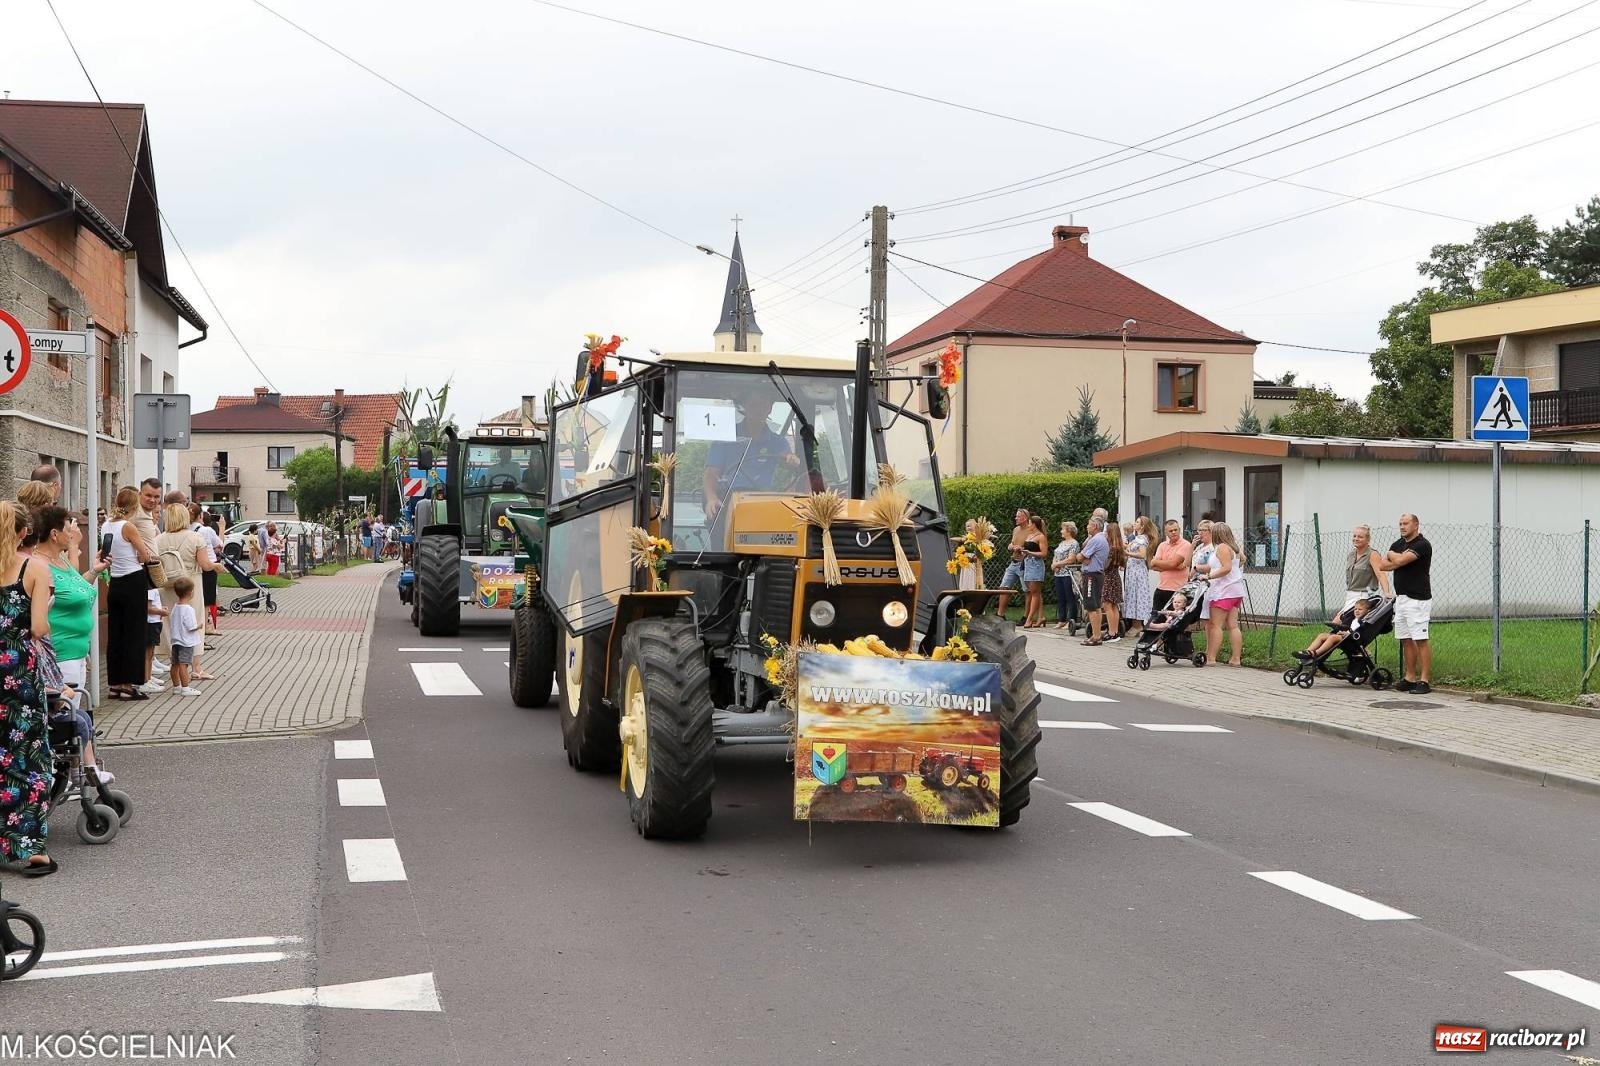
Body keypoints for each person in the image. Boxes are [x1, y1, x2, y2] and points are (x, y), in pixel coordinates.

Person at [0, 500, 58, 876]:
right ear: (24, 532)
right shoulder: (33, 567)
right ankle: (33, 850)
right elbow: (38, 627)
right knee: (28, 756)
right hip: (17, 671)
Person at [34, 505, 112, 777]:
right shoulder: (41, 567)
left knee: (72, 719)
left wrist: (94, 571)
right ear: (54, 534)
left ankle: (74, 773)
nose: (73, 534)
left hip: (77, 650)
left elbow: (78, 591)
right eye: (68, 529)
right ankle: (66, 774)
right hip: (61, 652)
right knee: (65, 718)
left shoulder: (62, 561)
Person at [702, 390, 802, 519]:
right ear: (745, 406)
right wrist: (711, 498)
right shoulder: (727, 437)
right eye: (754, 405)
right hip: (728, 499)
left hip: (763, 501)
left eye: (764, 405)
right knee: (719, 512)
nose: (759, 410)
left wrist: (791, 458)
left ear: (770, 409)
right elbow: (711, 474)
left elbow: (786, 456)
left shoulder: (777, 442)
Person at [104, 487, 156, 700]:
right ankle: (129, 684)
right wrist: (143, 553)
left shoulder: (106, 524)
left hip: (115, 581)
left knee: (116, 633)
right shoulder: (128, 526)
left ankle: (115, 683)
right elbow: (144, 556)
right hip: (133, 580)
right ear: (134, 507)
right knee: (134, 633)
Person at [1378, 512, 1433, 694]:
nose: (1402, 526)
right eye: (1400, 523)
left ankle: (1424, 680)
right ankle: (1410, 678)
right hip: (1401, 598)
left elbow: (1398, 560)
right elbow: (1382, 565)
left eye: (1406, 523)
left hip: (1417, 599)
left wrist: (1393, 556)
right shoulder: (1398, 544)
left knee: (1420, 639)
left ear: (1416, 525)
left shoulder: (1422, 544)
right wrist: (1398, 560)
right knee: (1405, 639)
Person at [1201, 521, 1246, 667]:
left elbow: (1226, 568)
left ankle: (1211, 658)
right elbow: (1240, 561)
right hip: (1235, 591)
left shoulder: (1222, 547)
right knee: (1233, 625)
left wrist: (1209, 576)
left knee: (1216, 625)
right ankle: (1236, 658)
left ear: (1216, 534)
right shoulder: (1235, 548)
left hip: (1223, 591)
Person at [1297, 597, 1373, 661]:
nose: (1357, 611)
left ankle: (1316, 653)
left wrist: (1347, 633)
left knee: (1333, 637)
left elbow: (1359, 633)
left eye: (1360, 609)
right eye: (1355, 609)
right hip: (1347, 637)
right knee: (1322, 635)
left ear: (1368, 611)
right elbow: (1351, 630)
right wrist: (1344, 632)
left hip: (1352, 641)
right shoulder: (1355, 620)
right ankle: (1307, 652)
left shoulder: (1364, 621)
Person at [1073, 517, 1109, 647]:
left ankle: (1096, 636)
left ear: (1095, 526)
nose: (1087, 527)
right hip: (1098, 574)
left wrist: (1082, 557)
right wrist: (1085, 558)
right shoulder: (1102, 539)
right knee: (1097, 606)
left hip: (1091, 575)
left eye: (1089, 524)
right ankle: (1096, 634)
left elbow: (1080, 557)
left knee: (1091, 607)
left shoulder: (1095, 540)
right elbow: (1085, 557)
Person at [167, 577, 203, 696]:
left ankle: (176, 686)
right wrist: (199, 626)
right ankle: (185, 688)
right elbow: (190, 626)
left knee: (175, 664)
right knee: (184, 664)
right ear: (190, 592)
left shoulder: (175, 607)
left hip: (176, 640)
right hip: (186, 641)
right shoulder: (188, 609)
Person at [1149, 519, 1192, 616]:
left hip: (1177, 590)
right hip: (1161, 588)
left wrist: (1157, 561)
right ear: (1166, 532)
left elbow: (1172, 563)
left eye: (1175, 530)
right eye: (1170, 531)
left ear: (1179, 529)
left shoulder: (1185, 545)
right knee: (1156, 618)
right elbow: (1153, 566)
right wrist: (1174, 566)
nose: (1173, 532)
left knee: (1173, 620)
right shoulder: (1162, 545)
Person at [994, 509, 1031, 617]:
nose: (1016, 518)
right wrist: (1010, 546)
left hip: (1024, 564)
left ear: (1025, 518)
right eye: (1016, 516)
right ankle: (1000, 615)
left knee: (1027, 591)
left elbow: (1034, 546)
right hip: (1013, 563)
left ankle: (1026, 617)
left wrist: (1021, 549)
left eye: (1018, 516)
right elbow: (1013, 542)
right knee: (1003, 587)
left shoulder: (1031, 530)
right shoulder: (1016, 529)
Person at [1344, 524, 1392, 608]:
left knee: (1349, 616)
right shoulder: (1351, 555)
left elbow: (1381, 575)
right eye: (1354, 536)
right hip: (1350, 595)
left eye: (1360, 537)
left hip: (1364, 596)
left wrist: (1387, 593)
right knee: (1341, 616)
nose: (1356, 539)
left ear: (1368, 540)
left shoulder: (1373, 554)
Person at [1123, 517, 1154, 636]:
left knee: (1137, 596)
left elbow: (1142, 554)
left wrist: (1128, 553)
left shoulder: (1142, 539)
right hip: (1132, 571)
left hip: (1137, 572)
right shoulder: (1137, 538)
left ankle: (1138, 625)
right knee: (1132, 595)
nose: (1134, 524)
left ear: (1142, 526)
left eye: (1137, 522)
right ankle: (1135, 624)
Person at [1051, 520, 1081, 632]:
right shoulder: (1062, 543)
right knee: (1061, 598)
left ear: (1069, 531)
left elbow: (1071, 559)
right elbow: (1056, 554)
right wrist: (1054, 564)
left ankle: (1071, 620)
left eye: (1063, 529)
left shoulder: (1074, 543)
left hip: (1068, 574)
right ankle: (1061, 619)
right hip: (1058, 573)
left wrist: (1057, 564)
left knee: (1070, 597)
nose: (1061, 531)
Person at [1021, 514, 1048, 628]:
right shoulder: (1029, 535)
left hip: (1036, 565)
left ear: (1034, 524)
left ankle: (1029, 618)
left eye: (1030, 523)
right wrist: (1022, 552)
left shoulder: (1040, 537)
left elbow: (1044, 553)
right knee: (1032, 592)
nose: (1028, 525)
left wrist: (1030, 553)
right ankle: (1040, 617)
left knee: (1035, 592)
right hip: (1027, 563)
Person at [1189, 520, 1216, 626]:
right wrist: (1192, 546)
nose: (1200, 533)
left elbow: (1213, 567)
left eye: (1203, 530)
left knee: (1206, 616)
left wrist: (1196, 568)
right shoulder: (1199, 547)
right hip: (1195, 584)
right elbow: (1187, 562)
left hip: (1206, 584)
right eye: (1198, 530)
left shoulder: (1213, 548)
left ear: (1211, 531)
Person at [1102, 520, 1126, 643]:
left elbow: (1106, 565)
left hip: (1109, 577)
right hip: (1115, 577)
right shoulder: (1119, 548)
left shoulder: (1111, 548)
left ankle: (1111, 632)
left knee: (1107, 604)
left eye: (1107, 532)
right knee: (1114, 605)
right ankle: (1115, 631)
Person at [955, 519, 980, 592]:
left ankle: (971, 587)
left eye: (969, 526)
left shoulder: (977, 537)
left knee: (971, 573)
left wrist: (977, 555)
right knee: (965, 573)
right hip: (965, 558)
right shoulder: (965, 538)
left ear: (975, 526)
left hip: (972, 558)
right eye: (966, 526)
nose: (968, 528)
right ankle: (964, 587)